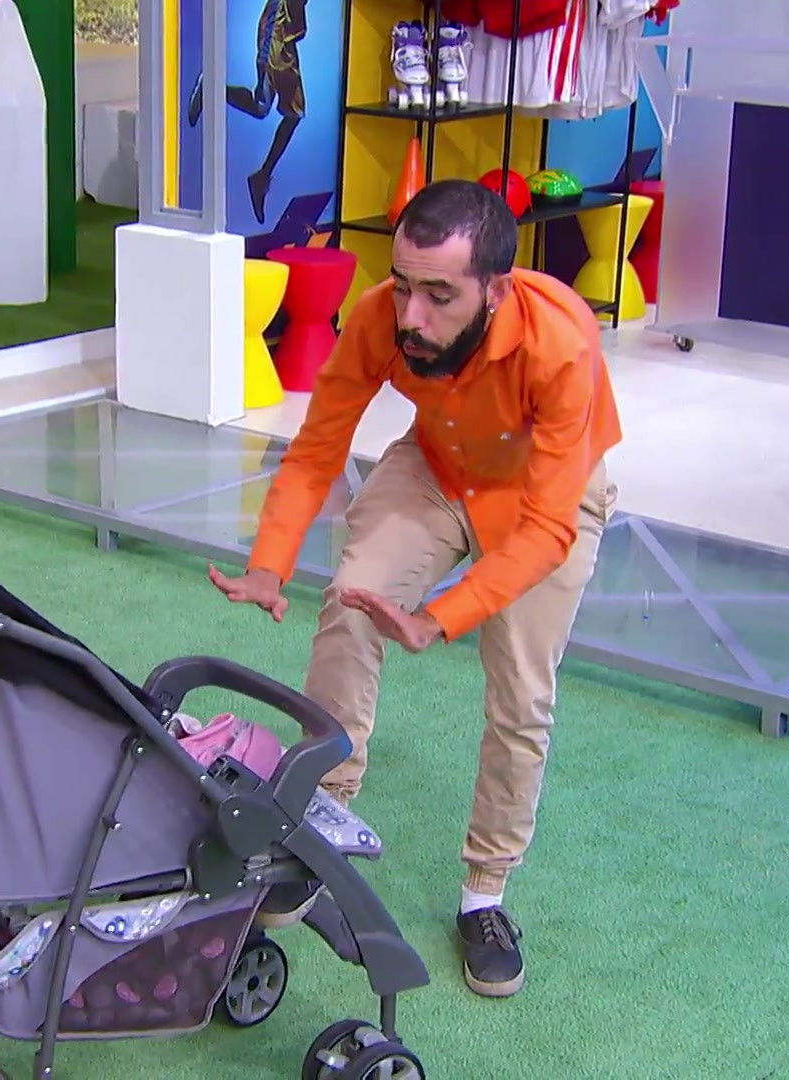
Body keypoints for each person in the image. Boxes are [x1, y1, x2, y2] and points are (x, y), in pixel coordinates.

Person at [207, 179, 621, 998]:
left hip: (545, 499)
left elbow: (547, 527)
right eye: (402, 285)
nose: (411, 316)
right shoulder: (378, 318)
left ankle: (485, 894)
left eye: (439, 295)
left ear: (494, 289)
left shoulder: (561, 343)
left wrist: (441, 616)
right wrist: (269, 562)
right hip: (436, 468)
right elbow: (318, 449)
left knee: (521, 694)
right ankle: (320, 817)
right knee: (352, 597)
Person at [185, 0, 307, 223]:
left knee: (266, 107)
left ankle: (211, 88)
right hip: (277, 38)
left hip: (283, 40)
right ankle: (261, 177)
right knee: (284, 110)